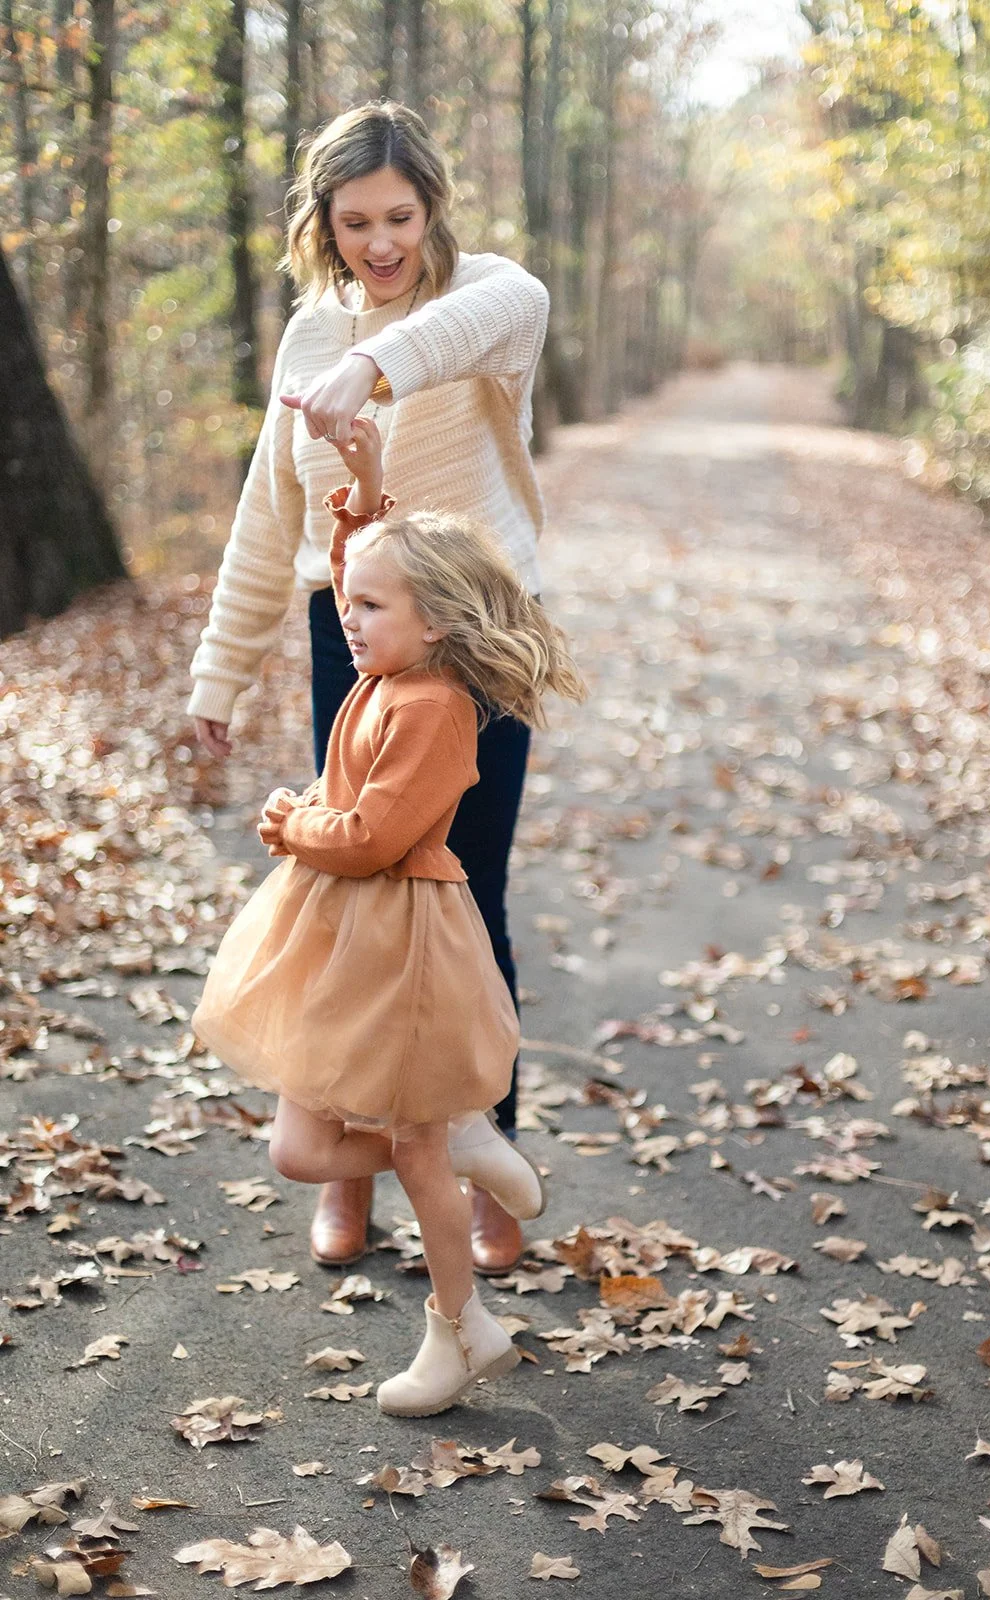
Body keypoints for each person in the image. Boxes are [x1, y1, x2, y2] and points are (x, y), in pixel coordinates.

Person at [188, 100, 552, 1274]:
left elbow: (500, 312)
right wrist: (218, 672)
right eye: (355, 223)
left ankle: (488, 1166)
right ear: (321, 223)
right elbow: (269, 518)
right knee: (343, 907)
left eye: (399, 216)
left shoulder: (487, 298)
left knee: (461, 903)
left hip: (476, 648)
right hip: (345, 644)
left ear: (431, 208)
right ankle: (350, 1175)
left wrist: (370, 363)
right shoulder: (304, 336)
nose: (380, 242)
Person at [192, 418, 584, 1415]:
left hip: (399, 938)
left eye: (368, 607)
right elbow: (354, 565)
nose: (348, 619)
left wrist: (294, 823)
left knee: (406, 1145)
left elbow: (371, 835)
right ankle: (459, 1148)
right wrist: (365, 487)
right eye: (350, 604)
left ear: (438, 620)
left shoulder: (435, 707)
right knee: (302, 1150)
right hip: (339, 935)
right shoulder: (387, 665)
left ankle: (458, 1330)